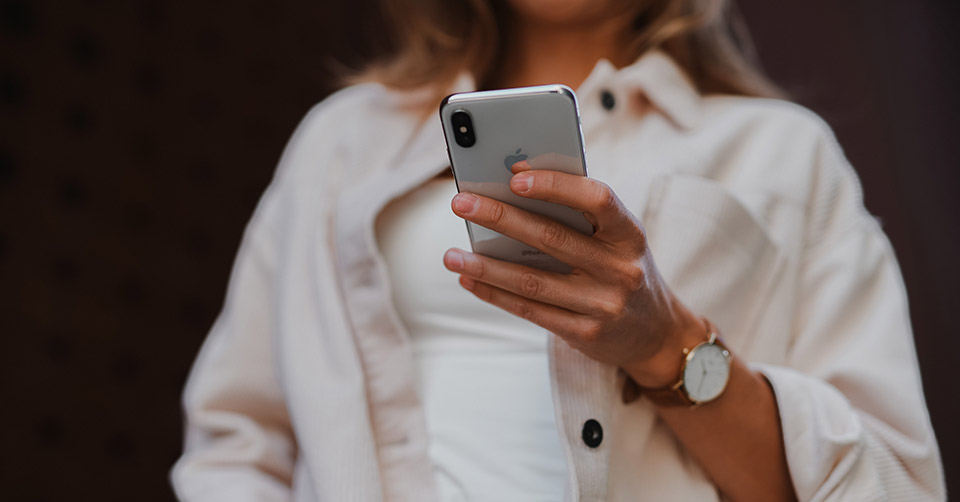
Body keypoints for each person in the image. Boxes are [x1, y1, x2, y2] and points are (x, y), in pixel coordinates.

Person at [171, 0, 945, 500]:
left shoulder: (781, 153)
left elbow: (890, 486)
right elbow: (237, 441)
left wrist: (665, 344)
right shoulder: (341, 142)